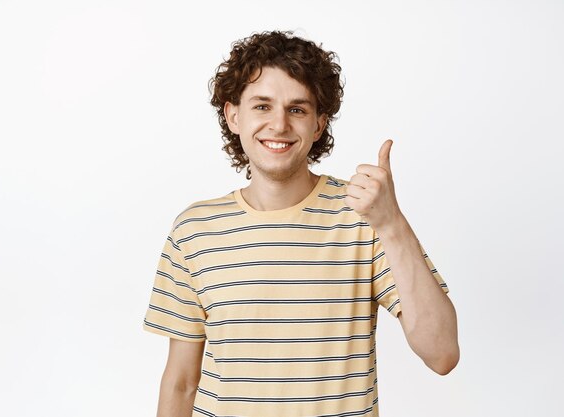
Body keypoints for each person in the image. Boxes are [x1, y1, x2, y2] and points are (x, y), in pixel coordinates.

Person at [142, 30, 459, 417]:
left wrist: (392, 224)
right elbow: (180, 382)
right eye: (262, 106)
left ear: (319, 125)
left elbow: (442, 353)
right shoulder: (194, 231)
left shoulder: (365, 217)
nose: (279, 125)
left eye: (297, 109)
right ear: (233, 115)